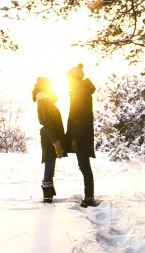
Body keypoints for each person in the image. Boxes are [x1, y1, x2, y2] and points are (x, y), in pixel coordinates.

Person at [65, 63, 99, 207]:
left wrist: (75, 138)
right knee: (84, 166)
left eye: (70, 78)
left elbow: (82, 117)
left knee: (84, 166)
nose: (68, 81)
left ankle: (89, 197)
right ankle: (89, 196)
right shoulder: (78, 91)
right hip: (81, 135)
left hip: (82, 136)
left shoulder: (82, 92)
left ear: (75, 78)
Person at [32, 76, 66, 203]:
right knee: (49, 163)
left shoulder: (46, 100)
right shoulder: (44, 101)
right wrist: (56, 142)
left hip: (50, 135)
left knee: (50, 164)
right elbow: (48, 123)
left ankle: (48, 194)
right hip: (50, 136)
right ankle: (47, 196)